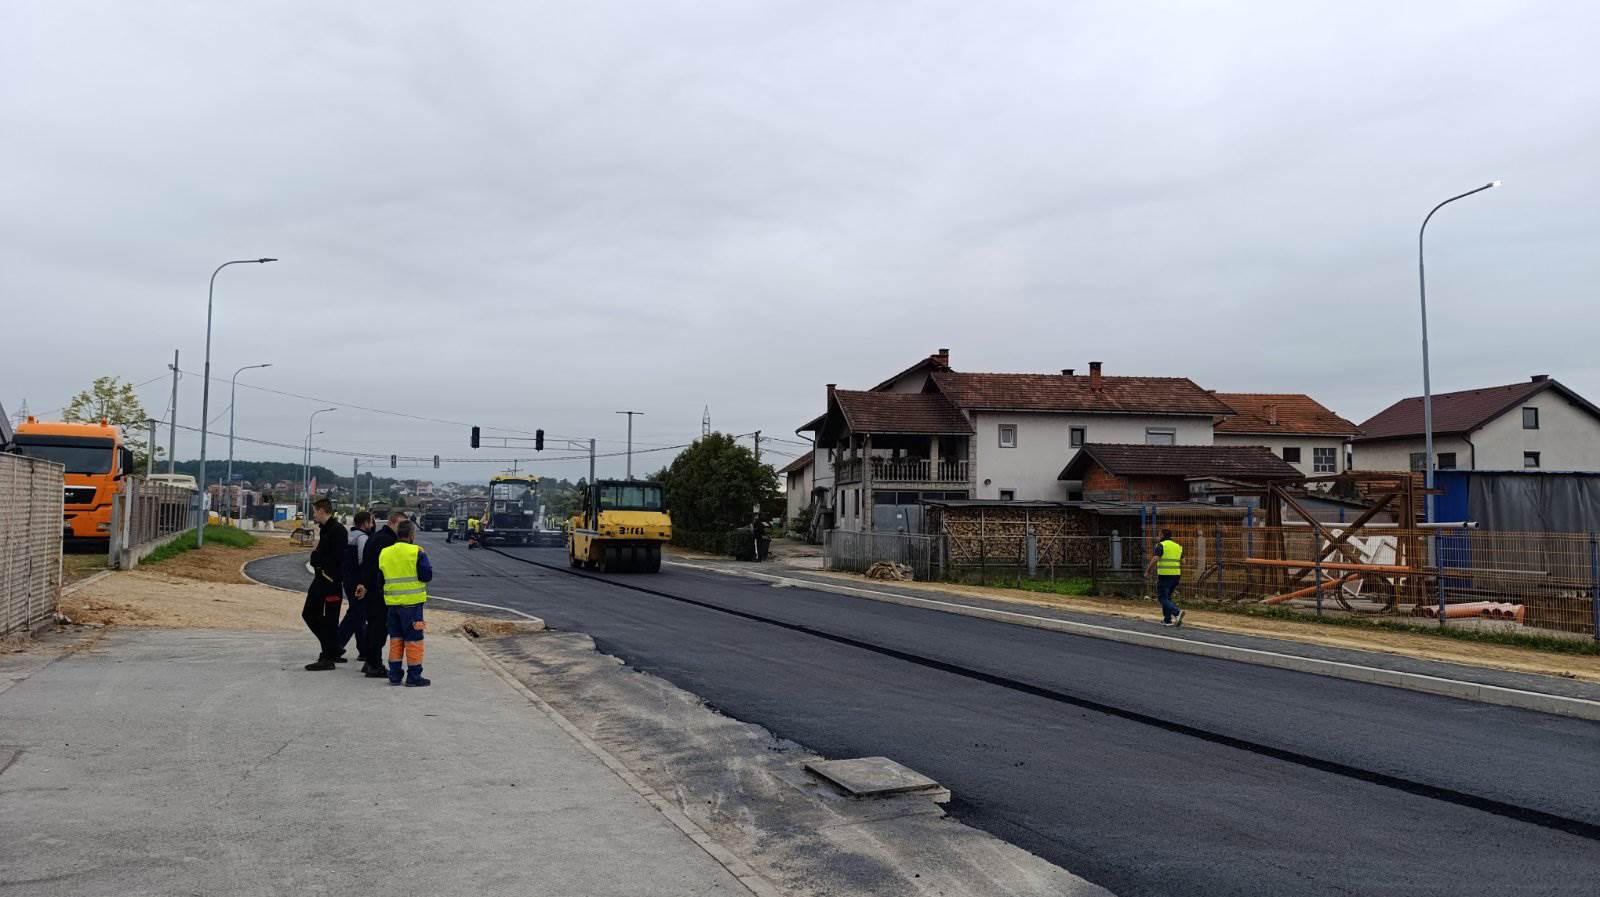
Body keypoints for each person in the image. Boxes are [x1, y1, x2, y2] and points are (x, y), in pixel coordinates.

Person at [376, 519, 433, 687]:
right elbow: (426, 575)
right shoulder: (417, 552)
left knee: (396, 640)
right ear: (412, 535)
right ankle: (414, 676)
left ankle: (394, 675)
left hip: (392, 605)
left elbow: (380, 580)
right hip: (412, 606)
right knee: (414, 641)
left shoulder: (385, 553)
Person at [355, 511, 405, 679]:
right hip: (379, 592)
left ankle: (370, 661)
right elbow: (383, 567)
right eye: (401, 525)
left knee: (372, 627)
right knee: (379, 629)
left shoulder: (375, 537)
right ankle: (375, 665)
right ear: (392, 522)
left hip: (371, 588)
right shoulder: (388, 541)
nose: (403, 529)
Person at [302, 498, 348, 670]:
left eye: (315, 511)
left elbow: (336, 557)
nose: (314, 515)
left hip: (330, 581)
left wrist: (317, 559)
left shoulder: (337, 530)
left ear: (322, 511)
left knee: (327, 618)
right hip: (322, 579)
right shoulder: (327, 529)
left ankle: (329, 655)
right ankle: (333, 648)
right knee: (310, 614)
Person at [335, 511, 374, 660]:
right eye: (370, 522)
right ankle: (338, 645)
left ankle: (359, 649)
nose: (372, 525)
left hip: (347, 578)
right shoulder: (362, 537)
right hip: (358, 581)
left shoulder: (349, 535)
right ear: (365, 523)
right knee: (357, 614)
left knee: (356, 613)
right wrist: (365, 581)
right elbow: (363, 560)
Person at [1144, 529, 1185, 627]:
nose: (1158, 537)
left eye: (1159, 534)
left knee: (1162, 597)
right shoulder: (1178, 546)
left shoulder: (1161, 545)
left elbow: (1155, 559)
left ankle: (1177, 612)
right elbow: (1184, 562)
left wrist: (1148, 571)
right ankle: (1167, 620)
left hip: (1165, 575)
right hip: (1176, 575)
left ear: (1162, 535)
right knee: (1167, 597)